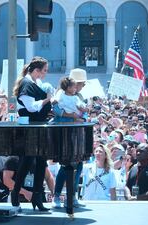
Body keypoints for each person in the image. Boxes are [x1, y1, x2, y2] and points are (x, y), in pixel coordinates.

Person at [11, 56, 51, 211]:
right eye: (44, 70)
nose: (45, 73)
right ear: (36, 71)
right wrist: (47, 100)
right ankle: (15, 193)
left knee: (41, 162)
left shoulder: (35, 82)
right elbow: (32, 107)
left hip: (39, 126)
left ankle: (37, 196)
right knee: (27, 162)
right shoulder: (26, 84)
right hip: (30, 127)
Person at [52, 68, 88, 208]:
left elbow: (83, 114)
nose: (82, 87)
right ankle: (57, 196)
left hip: (77, 132)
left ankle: (72, 196)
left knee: (78, 164)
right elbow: (56, 110)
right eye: (81, 84)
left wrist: (81, 119)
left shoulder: (80, 97)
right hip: (64, 131)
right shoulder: (60, 93)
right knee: (66, 164)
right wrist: (72, 117)